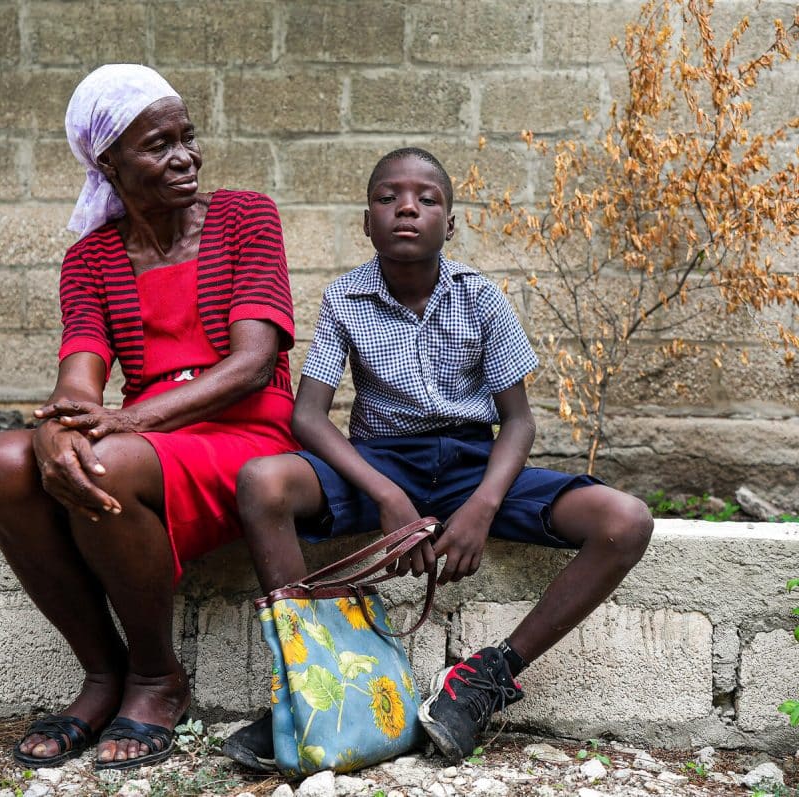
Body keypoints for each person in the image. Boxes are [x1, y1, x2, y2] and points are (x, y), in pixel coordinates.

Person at [222, 147, 653, 770]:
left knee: (626, 520)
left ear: (449, 224)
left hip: (473, 468)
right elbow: (308, 416)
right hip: (381, 463)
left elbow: (519, 421)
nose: (407, 208)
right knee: (263, 481)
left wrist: (483, 505)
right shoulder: (345, 297)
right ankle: (315, 686)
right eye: (388, 197)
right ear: (366, 222)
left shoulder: (482, 297)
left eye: (427, 199)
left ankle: (483, 681)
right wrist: (386, 494)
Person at [0, 64, 297, 772]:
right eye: (159, 145)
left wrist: (123, 422)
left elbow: (252, 363)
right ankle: (102, 673)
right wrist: (56, 428)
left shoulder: (245, 216)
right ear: (110, 163)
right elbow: (79, 379)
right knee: (3, 462)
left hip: (247, 431)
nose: (186, 157)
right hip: (152, 438)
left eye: (188, 137)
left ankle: (155, 677)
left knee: (103, 459)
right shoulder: (91, 258)